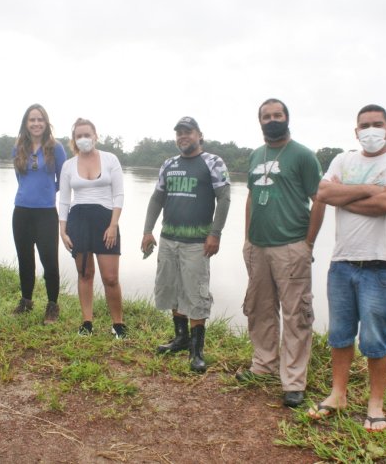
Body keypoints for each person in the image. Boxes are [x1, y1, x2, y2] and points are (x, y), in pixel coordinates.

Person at [308, 104, 386, 432]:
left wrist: (343, 197)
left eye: (377, 124)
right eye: (365, 125)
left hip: (381, 267)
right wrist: (372, 189)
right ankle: (338, 394)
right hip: (342, 262)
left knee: (375, 339)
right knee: (340, 335)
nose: (370, 130)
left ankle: (375, 404)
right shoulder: (343, 160)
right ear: (356, 131)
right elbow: (321, 192)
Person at [237, 99, 325, 408]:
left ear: (287, 118)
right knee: (260, 309)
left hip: (291, 246)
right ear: (259, 121)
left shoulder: (302, 155)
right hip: (258, 246)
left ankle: (293, 380)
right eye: (266, 116)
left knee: (295, 314)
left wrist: (308, 243)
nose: (272, 120)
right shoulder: (255, 154)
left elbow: (320, 199)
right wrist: (247, 238)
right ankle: (263, 364)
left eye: (278, 115)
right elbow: (250, 196)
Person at [141, 116, 231, 373]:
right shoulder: (169, 164)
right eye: (179, 133)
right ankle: (180, 339)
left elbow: (224, 199)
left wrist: (216, 233)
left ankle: (196, 350)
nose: (183, 136)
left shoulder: (213, 162)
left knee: (195, 293)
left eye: (188, 132)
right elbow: (157, 199)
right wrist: (148, 231)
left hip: (197, 243)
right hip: (169, 239)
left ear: (199, 135)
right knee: (172, 289)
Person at [58, 118, 126, 338]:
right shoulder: (68, 165)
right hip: (78, 220)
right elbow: (65, 201)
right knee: (85, 273)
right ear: (74, 140)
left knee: (111, 277)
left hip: (106, 220)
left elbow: (118, 194)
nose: (83, 139)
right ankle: (87, 322)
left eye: (87, 135)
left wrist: (113, 224)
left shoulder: (110, 159)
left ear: (95, 136)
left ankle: (118, 324)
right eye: (79, 136)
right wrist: (63, 230)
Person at [11, 104, 66, 324]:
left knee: (50, 260)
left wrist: (47, 192)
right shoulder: (18, 148)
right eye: (32, 120)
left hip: (46, 213)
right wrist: (29, 193)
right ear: (26, 123)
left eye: (40, 119)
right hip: (22, 210)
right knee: (25, 259)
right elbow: (20, 178)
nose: (36, 123)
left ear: (46, 123)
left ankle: (52, 305)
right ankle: (26, 300)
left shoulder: (56, 148)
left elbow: (63, 179)